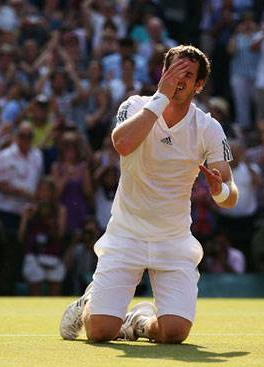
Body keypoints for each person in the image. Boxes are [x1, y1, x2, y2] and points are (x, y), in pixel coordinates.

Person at [59, 45, 238, 344]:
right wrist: (161, 98)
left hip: (174, 240)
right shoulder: (135, 105)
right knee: (100, 332)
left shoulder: (209, 127)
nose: (179, 80)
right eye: (174, 71)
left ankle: (138, 324)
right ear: (163, 73)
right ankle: (87, 302)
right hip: (125, 234)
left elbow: (230, 194)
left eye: (188, 75)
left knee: (174, 333)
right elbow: (123, 143)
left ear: (199, 85)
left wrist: (220, 190)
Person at [18, 177, 67, 296]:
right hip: (33, 254)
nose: (45, 193)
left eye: (48, 190)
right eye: (42, 190)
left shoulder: (60, 210)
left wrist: (49, 223)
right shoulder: (29, 209)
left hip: (53, 254)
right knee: (35, 288)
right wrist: (26, 217)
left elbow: (60, 235)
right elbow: (20, 236)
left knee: (54, 290)